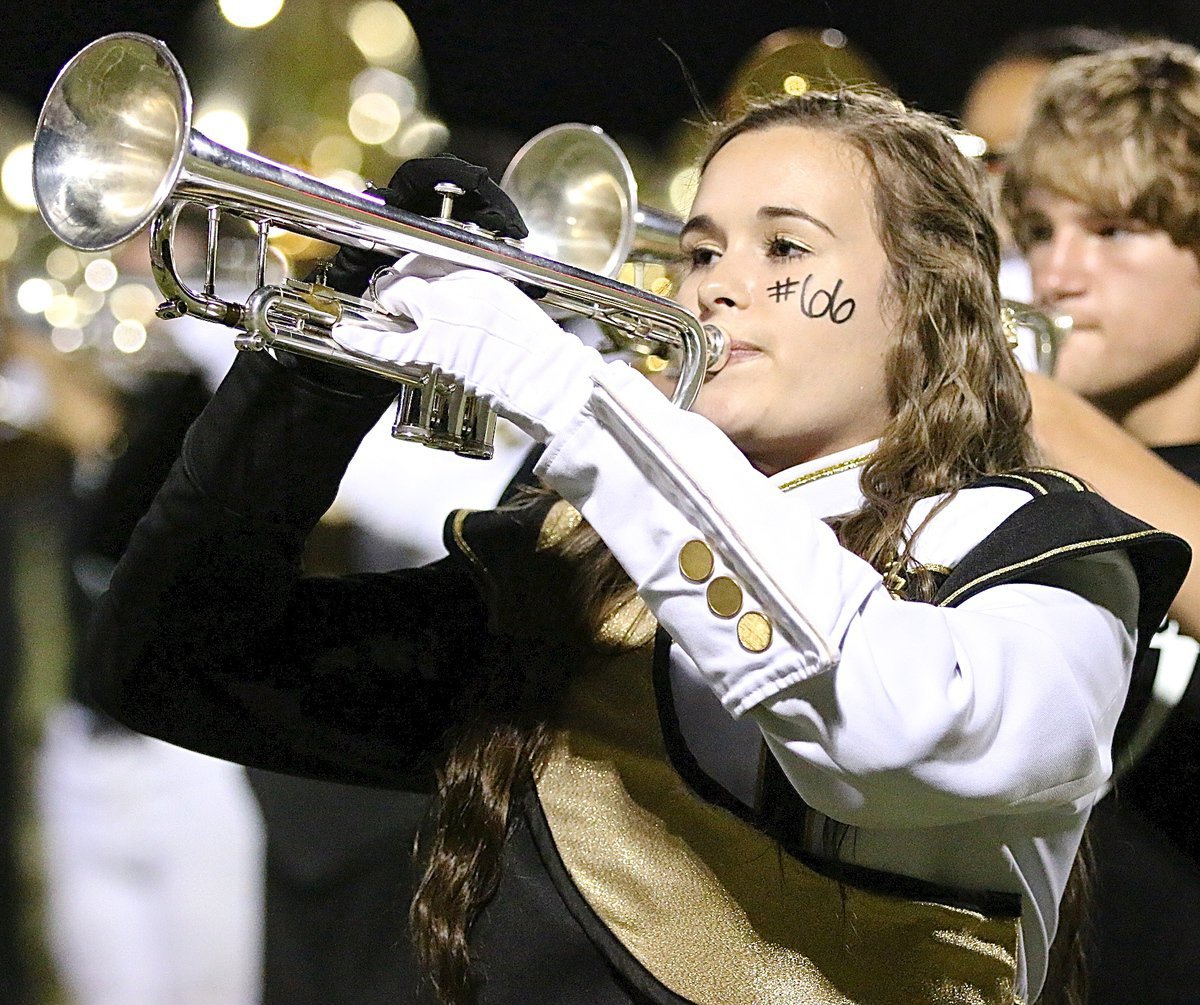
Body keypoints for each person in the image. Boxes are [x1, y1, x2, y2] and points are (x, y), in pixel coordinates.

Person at [84, 90, 1187, 1005]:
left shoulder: (1048, 561)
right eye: (701, 249)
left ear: (927, 303)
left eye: (785, 247)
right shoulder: (583, 563)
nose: (714, 282)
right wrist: (320, 368)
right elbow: (175, 663)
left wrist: (576, 397)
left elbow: (886, 729)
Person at [1002, 38, 1200, 1002]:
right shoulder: (1021, 464)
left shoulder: (1048, 428)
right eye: (1039, 230)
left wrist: (1035, 405)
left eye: (1114, 229)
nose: (1057, 275)